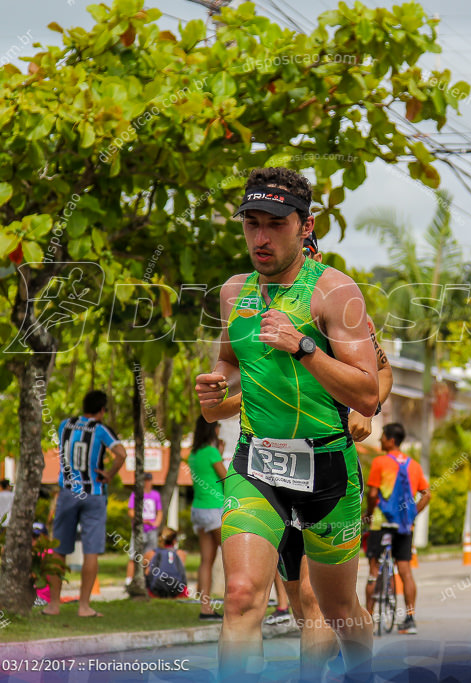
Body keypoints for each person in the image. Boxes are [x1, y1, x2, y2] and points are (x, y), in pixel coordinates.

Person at [194, 166, 379, 677]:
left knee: (338, 612)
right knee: (240, 596)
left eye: (274, 224)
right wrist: (216, 385)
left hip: (327, 469)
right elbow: (229, 364)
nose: (261, 236)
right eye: (251, 223)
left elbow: (368, 393)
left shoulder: (335, 292)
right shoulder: (235, 292)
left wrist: (303, 348)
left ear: (305, 225)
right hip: (258, 461)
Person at [42, 389, 126, 617]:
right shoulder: (102, 429)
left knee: (59, 550)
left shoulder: (64, 425)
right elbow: (122, 453)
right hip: (94, 493)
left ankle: (53, 605)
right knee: (91, 551)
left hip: (68, 492)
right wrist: (108, 474)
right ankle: (84, 607)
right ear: (102, 410)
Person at [364, 423, 430, 635]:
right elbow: (426, 494)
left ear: (391, 440)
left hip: (381, 524)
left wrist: (369, 514)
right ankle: (410, 618)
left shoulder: (380, 462)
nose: (380, 440)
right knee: (405, 571)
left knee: (374, 571)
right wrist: (411, 514)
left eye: (382, 437)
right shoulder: (414, 465)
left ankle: (367, 620)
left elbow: (373, 494)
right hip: (403, 526)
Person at [186, 416, 226, 620]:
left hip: (199, 509)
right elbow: (224, 477)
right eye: (218, 426)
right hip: (215, 509)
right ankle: (237, 606)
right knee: (230, 557)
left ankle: (205, 608)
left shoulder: (193, 454)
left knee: (206, 560)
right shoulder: (211, 452)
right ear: (213, 430)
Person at [126, 473, 162, 587]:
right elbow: (130, 511)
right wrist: (142, 520)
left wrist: (157, 522)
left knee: (150, 556)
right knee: (134, 556)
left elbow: (159, 511)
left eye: (149, 480)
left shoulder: (155, 495)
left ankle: (147, 580)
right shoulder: (136, 494)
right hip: (139, 529)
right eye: (145, 480)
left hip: (151, 530)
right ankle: (129, 580)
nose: (147, 483)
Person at [147, 527, 187, 598]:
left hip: (157, 589)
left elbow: (147, 573)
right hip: (176, 589)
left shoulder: (150, 553)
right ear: (174, 541)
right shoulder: (181, 554)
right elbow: (181, 573)